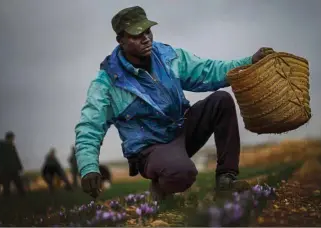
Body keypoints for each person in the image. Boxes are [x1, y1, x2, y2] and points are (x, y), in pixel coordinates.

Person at [74, 6, 275, 199]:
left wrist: (250, 62)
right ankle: (160, 186)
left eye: (148, 31)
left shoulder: (167, 56)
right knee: (182, 174)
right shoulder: (107, 82)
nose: (146, 39)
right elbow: (90, 127)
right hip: (151, 149)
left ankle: (226, 179)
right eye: (136, 35)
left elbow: (208, 71)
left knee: (221, 101)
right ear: (121, 41)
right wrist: (88, 167)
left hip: (182, 130)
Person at [0, 131, 25, 196]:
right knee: (6, 185)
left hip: (14, 168)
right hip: (6, 169)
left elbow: (16, 157)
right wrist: (2, 169)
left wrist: (20, 166)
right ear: (9, 138)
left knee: (18, 182)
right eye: (12, 138)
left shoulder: (12, 146)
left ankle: (22, 195)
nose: (13, 139)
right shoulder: (2, 146)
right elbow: (1, 159)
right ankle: (7, 198)